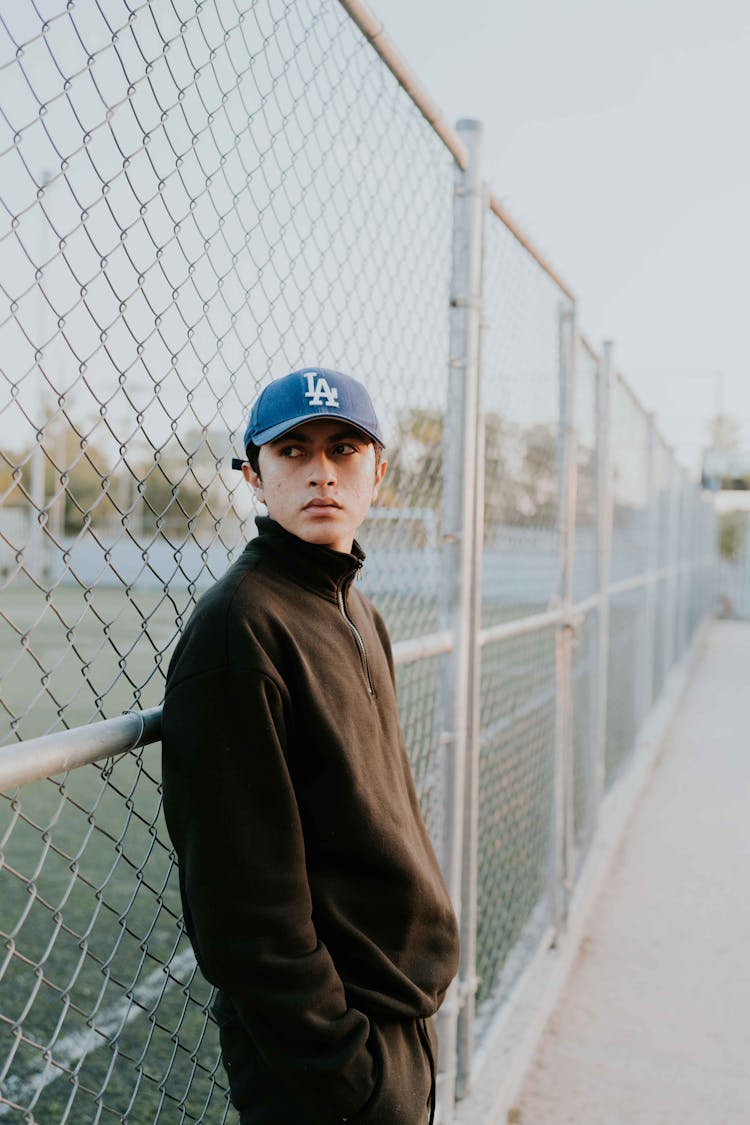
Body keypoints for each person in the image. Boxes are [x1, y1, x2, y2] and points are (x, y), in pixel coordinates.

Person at [161, 367, 459, 1124]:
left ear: (378, 473)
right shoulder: (240, 628)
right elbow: (245, 911)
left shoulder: (357, 608)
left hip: (399, 1022)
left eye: (344, 449)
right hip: (329, 1066)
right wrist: (349, 1072)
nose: (322, 471)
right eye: (292, 451)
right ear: (254, 476)